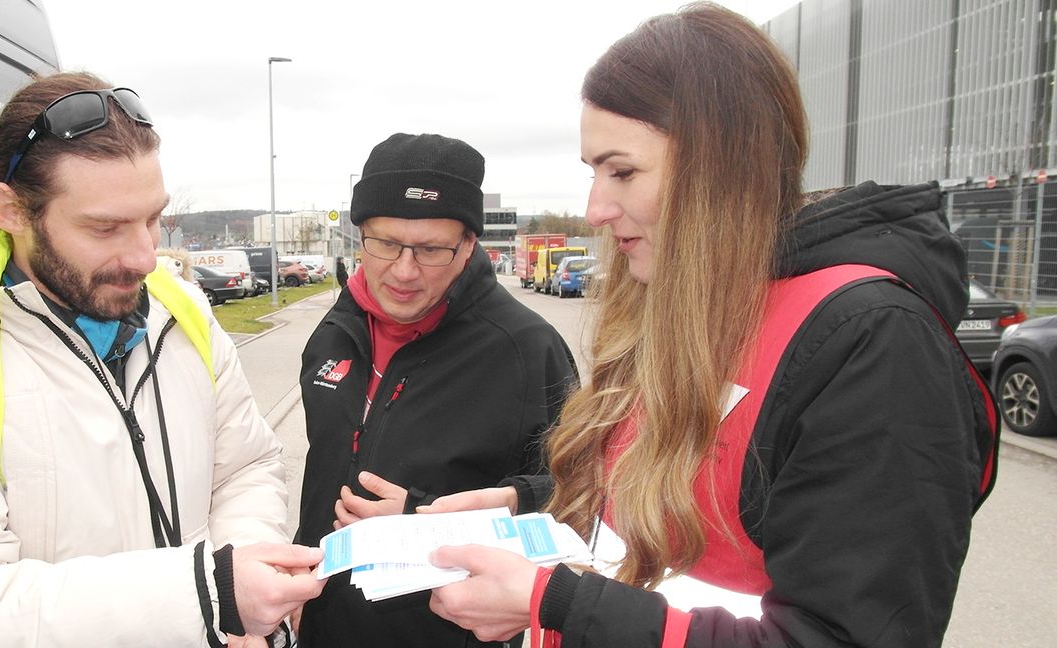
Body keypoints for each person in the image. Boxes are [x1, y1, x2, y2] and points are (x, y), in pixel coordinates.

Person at [422, 4, 999, 647]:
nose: (597, 209)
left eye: (623, 171)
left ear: (719, 166)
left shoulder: (871, 343)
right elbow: (660, 486)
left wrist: (556, 602)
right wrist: (527, 505)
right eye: (593, 173)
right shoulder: (686, 302)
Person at [0, 72, 325, 647]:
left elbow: (244, 467)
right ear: (11, 211)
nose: (146, 256)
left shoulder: (181, 307)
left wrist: (245, 593)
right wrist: (207, 595)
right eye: (105, 228)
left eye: (153, 218)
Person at [293, 132, 579, 647]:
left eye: (430, 250)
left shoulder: (528, 350)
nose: (403, 271)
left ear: (469, 244)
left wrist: (422, 519)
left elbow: (580, 498)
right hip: (321, 627)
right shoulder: (334, 333)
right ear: (360, 235)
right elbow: (321, 479)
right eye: (384, 243)